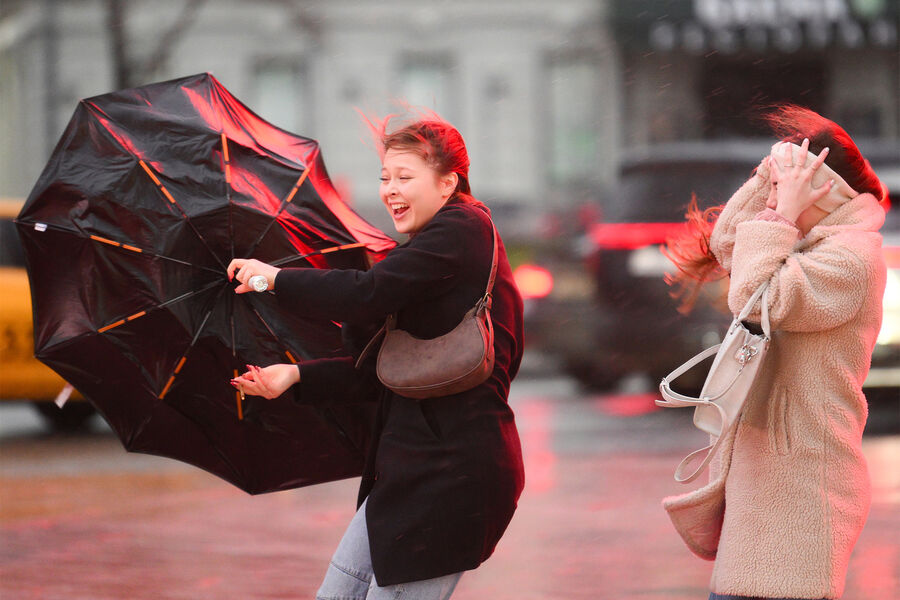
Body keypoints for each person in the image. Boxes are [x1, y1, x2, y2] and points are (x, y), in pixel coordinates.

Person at [226, 116, 525, 600]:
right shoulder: (430, 252)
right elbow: (384, 373)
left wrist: (273, 278)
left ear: (448, 183)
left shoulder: (463, 232)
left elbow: (367, 294)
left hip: (454, 476)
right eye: (385, 177)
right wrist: (295, 376)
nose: (390, 190)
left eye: (405, 177)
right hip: (406, 476)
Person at [663, 105, 888, 600]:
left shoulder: (853, 257)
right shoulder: (811, 241)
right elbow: (729, 243)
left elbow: (757, 298)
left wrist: (780, 214)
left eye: (788, 179)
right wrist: (773, 175)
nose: (773, 192)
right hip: (768, 478)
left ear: (825, 188)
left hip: (804, 484)